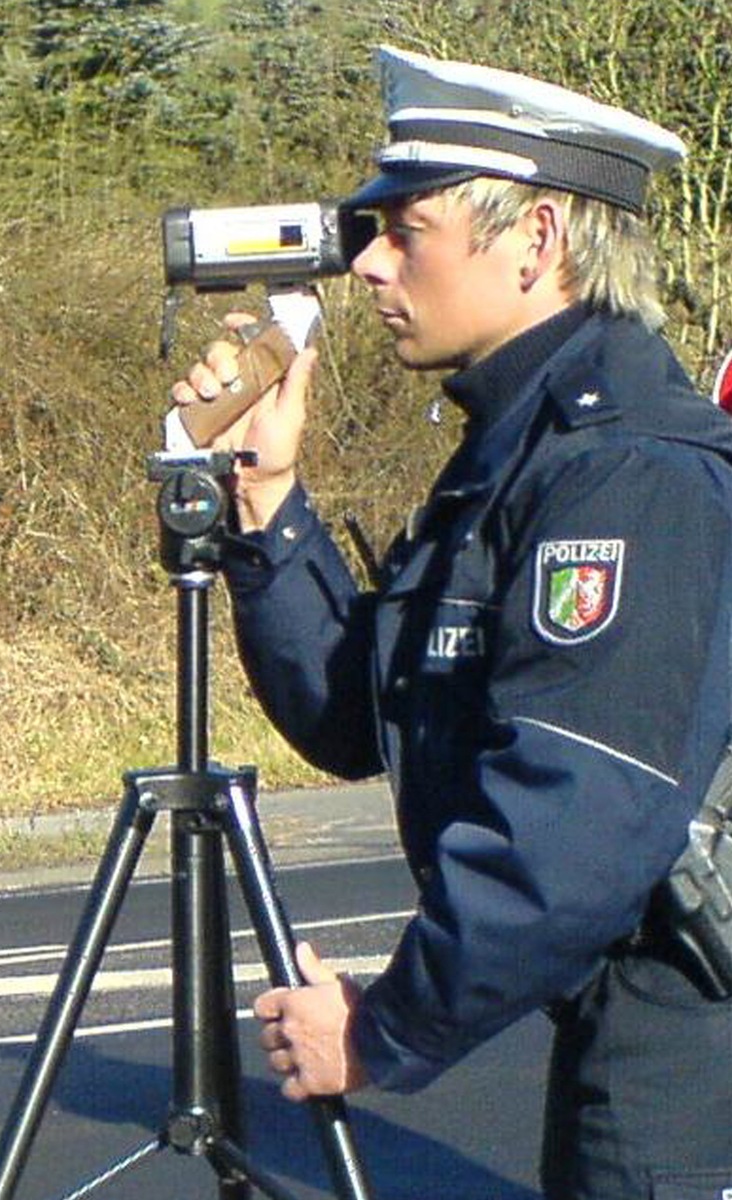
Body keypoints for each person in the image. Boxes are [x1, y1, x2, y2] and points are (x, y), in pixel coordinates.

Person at [171, 45, 732, 1200]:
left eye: (404, 230)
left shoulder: (625, 470)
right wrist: (268, 506)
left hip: (687, 1034)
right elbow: (359, 719)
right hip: (629, 1019)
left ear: (534, 238)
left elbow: (577, 821)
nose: (370, 263)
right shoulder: (516, 449)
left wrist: (381, 1033)